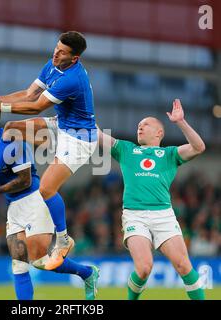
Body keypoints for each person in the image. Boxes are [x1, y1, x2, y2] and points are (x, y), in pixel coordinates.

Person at [0, 31, 98, 270]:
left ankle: (64, 239)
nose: (56, 53)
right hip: (62, 126)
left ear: (74, 58)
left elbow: (36, 107)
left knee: (46, 189)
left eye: (62, 52)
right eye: (57, 48)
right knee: (11, 129)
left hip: (79, 138)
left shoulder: (72, 78)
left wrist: (1, 106)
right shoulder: (53, 64)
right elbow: (28, 94)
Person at [0, 113, 99, 300]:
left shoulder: (12, 140)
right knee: (18, 265)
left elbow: (25, 180)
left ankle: (87, 273)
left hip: (33, 201)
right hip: (14, 208)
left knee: (40, 261)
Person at [98, 99, 206, 300]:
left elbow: (199, 147)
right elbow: (97, 136)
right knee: (144, 268)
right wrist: (84, 109)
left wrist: (181, 122)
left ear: (159, 133)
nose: (140, 127)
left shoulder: (169, 154)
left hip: (163, 214)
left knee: (183, 265)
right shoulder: (126, 149)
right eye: (138, 125)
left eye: (145, 124)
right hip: (134, 215)